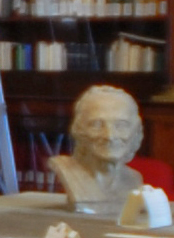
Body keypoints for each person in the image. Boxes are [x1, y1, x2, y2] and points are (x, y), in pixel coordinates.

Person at [51, 83, 145, 216]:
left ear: (135, 131)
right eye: (97, 125)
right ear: (79, 129)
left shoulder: (134, 179)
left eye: (121, 125)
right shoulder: (68, 170)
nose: (110, 136)